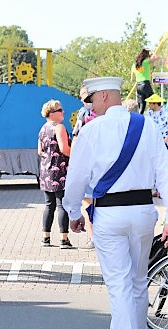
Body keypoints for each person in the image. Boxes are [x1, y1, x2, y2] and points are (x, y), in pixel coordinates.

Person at [64, 77, 168, 329]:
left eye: (93, 99)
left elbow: (76, 176)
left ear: (106, 96)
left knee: (120, 285)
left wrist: (73, 211)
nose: (91, 105)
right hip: (143, 211)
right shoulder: (146, 125)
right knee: (137, 283)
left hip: (110, 214)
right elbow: (164, 170)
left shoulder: (92, 130)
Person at [37, 99, 72, 249]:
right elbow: (64, 148)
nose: (63, 112)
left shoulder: (43, 128)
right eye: (60, 110)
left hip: (45, 171)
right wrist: (77, 154)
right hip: (60, 170)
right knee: (62, 205)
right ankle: (64, 239)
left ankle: (46, 237)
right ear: (52, 113)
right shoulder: (59, 128)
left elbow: (39, 151)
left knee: (49, 205)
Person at [73, 86, 98, 250]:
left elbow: (76, 136)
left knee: (88, 203)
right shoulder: (105, 111)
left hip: (89, 165)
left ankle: (92, 237)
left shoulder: (83, 113)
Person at [131, 48, 158, 114]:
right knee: (155, 101)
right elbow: (156, 57)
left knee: (142, 106)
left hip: (138, 86)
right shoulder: (145, 62)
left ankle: (140, 120)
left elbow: (132, 79)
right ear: (146, 56)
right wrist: (151, 50)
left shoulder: (133, 66)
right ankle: (156, 117)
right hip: (145, 84)